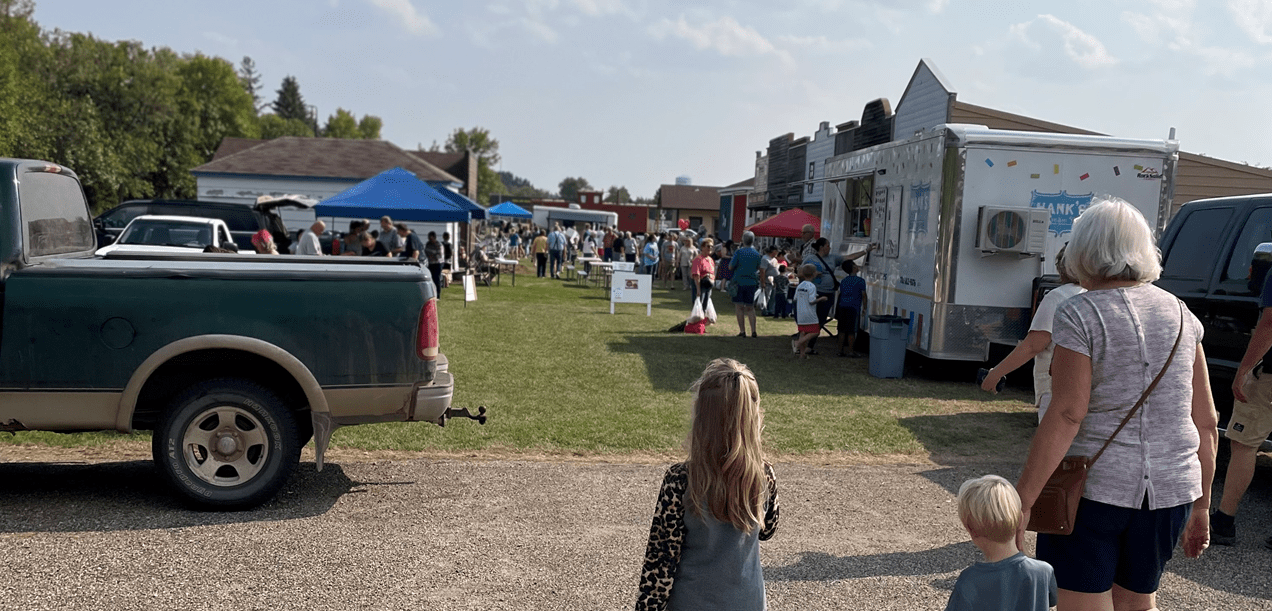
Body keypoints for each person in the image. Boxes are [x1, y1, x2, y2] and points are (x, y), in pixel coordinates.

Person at [1014, 198, 1217, 611]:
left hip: (1093, 489)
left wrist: (1025, 498)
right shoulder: (1181, 314)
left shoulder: (1079, 312)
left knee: (1081, 602)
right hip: (1170, 490)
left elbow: (1069, 412)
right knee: (1136, 603)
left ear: (1083, 251)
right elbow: (1206, 420)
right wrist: (1203, 504)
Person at [635, 358, 779, 611]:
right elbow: (768, 530)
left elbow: (661, 562)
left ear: (700, 416)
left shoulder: (680, 480)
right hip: (748, 601)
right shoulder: (763, 474)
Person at [1212, 243, 1272, 547]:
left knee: (1245, 443)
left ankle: (1224, 521)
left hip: (1269, 379)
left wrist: (1244, 370)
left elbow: (1270, 324)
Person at [981, 245, 1085, 421]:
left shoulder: (1057, 297)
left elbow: (1033, 345)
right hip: (1085, 389)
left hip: (1055, 388)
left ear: (1062, 267)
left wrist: (996, 373)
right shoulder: (1095, 297)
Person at [946, 475, 1057, 611]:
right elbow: (1051, 600)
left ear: (970, 529)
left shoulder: (970, 580)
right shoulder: (1044, 571)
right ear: (1020, 521)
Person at [730, 231, 764, 338]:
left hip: (739, 281)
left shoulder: (739, 252)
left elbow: (730, 266)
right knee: (750, 308)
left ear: (743, 240)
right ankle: (753, 331)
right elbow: (760, 269)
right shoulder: (757, 253)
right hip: (751, 282)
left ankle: (742, 331)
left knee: (739, 307)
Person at [792, 264, 825, 358]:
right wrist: (821, 298)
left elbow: (795, 298)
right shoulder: (812, 286)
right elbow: (811, 301)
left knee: (803, 332)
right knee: (815, 331)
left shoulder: (800, 285)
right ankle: (798, 343)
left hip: (801, 313)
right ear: (814, 274)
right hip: (810, 313)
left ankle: (802, 354)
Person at [836, 260, 867, 357]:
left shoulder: (844, 281)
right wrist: (864, 308)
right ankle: (850, 351)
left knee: (841, 330)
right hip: (853, 307)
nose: (858, 267)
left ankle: (840, 351)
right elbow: (864, 296)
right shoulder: (860, 281)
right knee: (851, 330)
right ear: (854, 268)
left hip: (842, 306)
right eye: (856, 265)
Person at [691, 238, 716, 314]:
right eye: (708, 246)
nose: (710, 248)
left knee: (705, 306)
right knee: (699, 306)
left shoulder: (710, 260)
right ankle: (696, 323)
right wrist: (698, 289)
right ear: (702, 247)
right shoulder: (698, 259)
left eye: (712, 246)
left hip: (708, 286)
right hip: (700, 285)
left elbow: (713, 273)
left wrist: (711, 283)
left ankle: (702, 323)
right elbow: (696, 275)